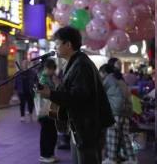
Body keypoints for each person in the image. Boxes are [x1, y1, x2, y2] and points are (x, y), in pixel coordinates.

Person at [37, 27, 114, 164]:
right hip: (81, 126)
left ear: (68, 44)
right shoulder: (75, 63)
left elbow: (78, 97)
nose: (55, 47)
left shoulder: (81, 65)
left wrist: (51, 94)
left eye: (57, 43)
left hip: (87, 127)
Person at [99, 64, 136, 164]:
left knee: (112, 136)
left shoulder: (108, 79)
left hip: (116, 111)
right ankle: (132, 159)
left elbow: (99, 93)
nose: (100, 75)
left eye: (100, 73)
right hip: (127, 111)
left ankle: (111, 159)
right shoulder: (120, 79)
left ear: (105, 72)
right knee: (125, 136)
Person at [36, 58, 60, 163]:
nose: (53, 72)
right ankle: (45, 155)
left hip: (50, 109)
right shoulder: (43, 79)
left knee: (51, 132)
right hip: (44, 111)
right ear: (47, 68)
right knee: (47, 133)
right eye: (52, 70)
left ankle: (49, 153)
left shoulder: (47, 77)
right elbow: (46, 93)